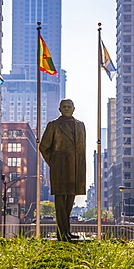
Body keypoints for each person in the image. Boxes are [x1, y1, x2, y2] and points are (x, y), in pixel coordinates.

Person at [40, 99, 86, 241]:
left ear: (73, 108)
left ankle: (66, 230)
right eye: (64, 107)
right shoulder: (53, 125)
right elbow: (43, 147)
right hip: (59, 169)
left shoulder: (80, 125)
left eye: (69, 106)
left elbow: (82, 149)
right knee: (60, 202)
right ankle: (62, 233)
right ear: (60, 109)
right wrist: (54, 163)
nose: (67, 109)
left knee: (70, 201)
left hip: (75, 169)